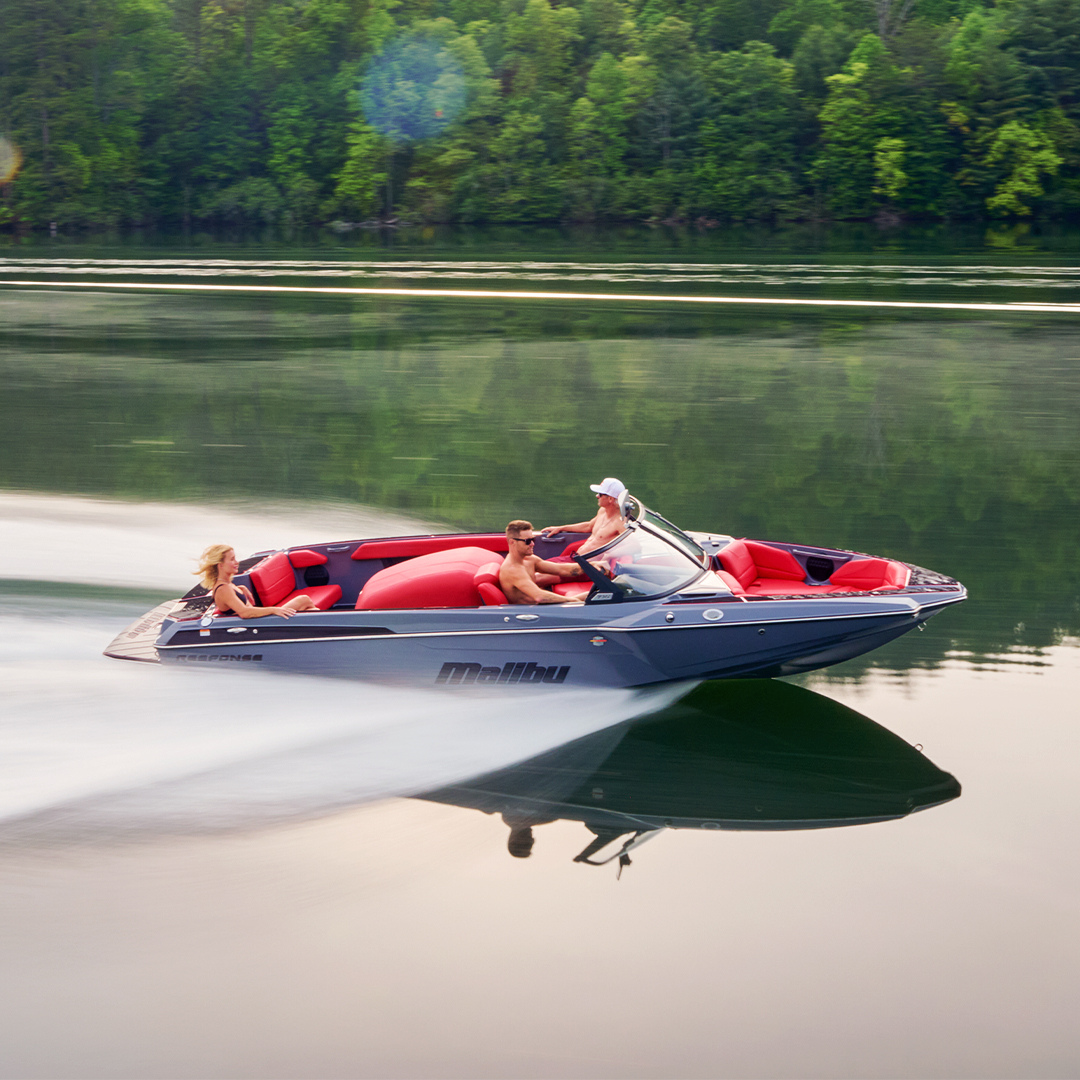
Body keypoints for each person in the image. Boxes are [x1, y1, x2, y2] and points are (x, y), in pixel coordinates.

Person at [195, 543, 317, 619]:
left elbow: (231, 600)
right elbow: (244, 613)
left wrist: (241, 589)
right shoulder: (223, 588)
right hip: (259, 623)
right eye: (232, 559)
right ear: (220, 565)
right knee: (304, 600)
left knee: (309, 610)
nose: (237, 562)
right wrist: (274, 609)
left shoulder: (227, 584)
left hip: (259, 619)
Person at [499, 521, 591, 604]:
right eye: (528, 541)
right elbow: (540, 597)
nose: (532, 544)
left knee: (594, 594)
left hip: (541, 607)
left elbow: (562, 569)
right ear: (512, 542)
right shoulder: (513, 570)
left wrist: (592, 566)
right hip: (531, 612)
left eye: (533, 539)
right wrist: (574, 601)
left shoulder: (529, 559)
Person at [540, 476, 628, 556]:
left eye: (600, 494)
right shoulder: (603, 511)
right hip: (577, 557)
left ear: (610, 499)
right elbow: (589, 526)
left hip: (586, 565)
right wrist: (561, 528)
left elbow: (635, 546)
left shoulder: (620, 522)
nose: (597, 496)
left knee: (538, 571)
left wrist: (608, 555)